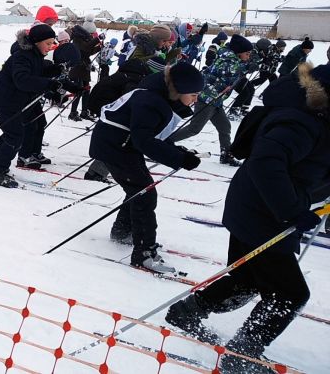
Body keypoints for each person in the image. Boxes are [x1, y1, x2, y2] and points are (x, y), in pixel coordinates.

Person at [165, 63, 330, 372]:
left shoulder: (314, 117)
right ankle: (243, 355)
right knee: (289, 294)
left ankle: (188, 312)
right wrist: (293, 210)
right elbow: (267, 163)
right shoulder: (302, 122)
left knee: (248, 278)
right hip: (263, 212)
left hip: (254, 205)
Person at [89, 62, 205, 272]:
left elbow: (153, 135)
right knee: (145, 192)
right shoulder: (150, 100)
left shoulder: (158, 96)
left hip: (122, 145)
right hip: (115, 147)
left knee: (138, 189)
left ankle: (123, 230)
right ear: (179, 89)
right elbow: (144, 141)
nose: (196, 99)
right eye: (194, 94)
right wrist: (180, 160)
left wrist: (180, 153)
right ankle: (144, 253)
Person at [0, 24, 80, 187]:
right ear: (36, 42)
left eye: (52, 44)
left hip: (15, 101)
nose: (50, 48)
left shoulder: (35, 56)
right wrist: (49, 84)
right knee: (15, 135)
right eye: (48, 44)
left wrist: (71, 85)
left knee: (12, 133)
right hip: (5, 100)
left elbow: (43, 71)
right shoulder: (22, 56)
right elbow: (22, 80)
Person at [172, 33, 253, 166]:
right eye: (247, 53)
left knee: (224, 126)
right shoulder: (229, 61)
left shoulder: (231, 59)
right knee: (194, 128)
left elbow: (231, 74)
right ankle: (164, 142)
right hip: (208, 98)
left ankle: (226, 154)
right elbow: (231, 75)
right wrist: (246, 69)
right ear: (239, 52)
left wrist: (246, 67)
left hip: (216, 99)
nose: (248, 56)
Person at [67, 24, 102, 121]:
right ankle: (73, 112)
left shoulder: (83, 39)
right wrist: (97, 39)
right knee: (78, 90)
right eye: (90, 33)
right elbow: (85, 48)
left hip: (84, 68)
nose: (91, 35)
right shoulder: (77, 39)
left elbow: (88, 52)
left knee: (86, 90)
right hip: (77, 68)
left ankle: (84, 111)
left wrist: (99, 47)